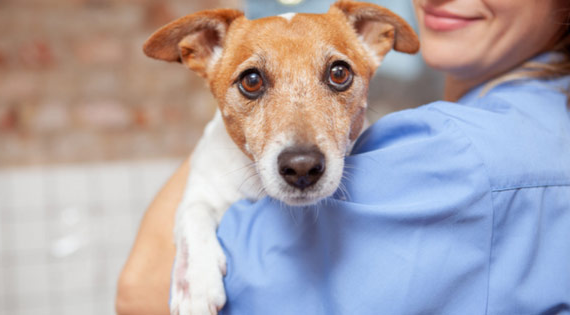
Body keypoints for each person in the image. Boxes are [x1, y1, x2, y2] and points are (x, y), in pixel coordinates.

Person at [116, 0, 570, 314]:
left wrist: (233, 96)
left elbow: (141, 291)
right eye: (253, 81)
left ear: (377, 39)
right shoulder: (545, 122)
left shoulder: (455, 155)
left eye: (337, 74)